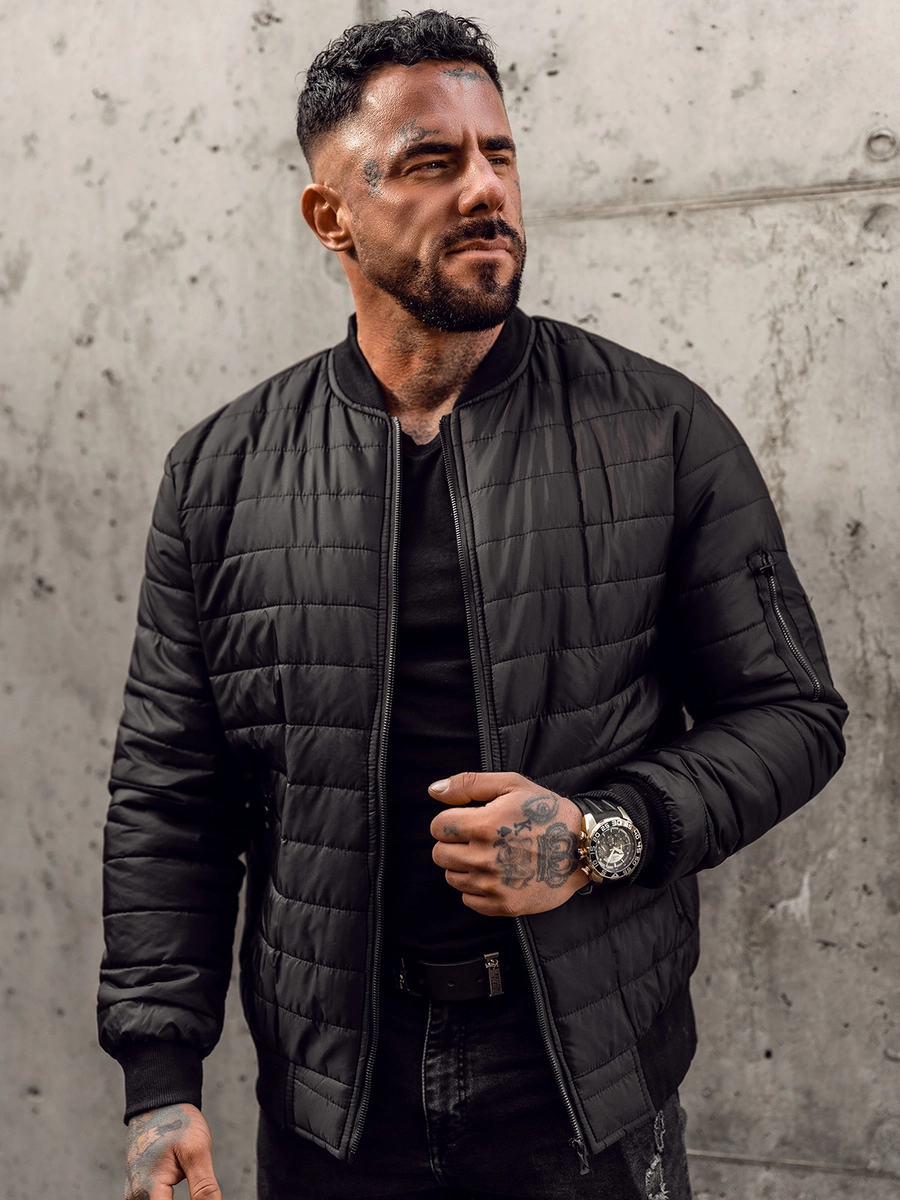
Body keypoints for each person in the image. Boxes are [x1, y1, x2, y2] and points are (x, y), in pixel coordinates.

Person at [97, 11, 847, 1199]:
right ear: (331, 215)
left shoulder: (659, 431)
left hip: (583, 1089)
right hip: (335, 1100)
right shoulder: (221, 474)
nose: (486, 188)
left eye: (499, 153)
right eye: (432, 161)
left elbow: (795, 717)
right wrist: (159, 1076)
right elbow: (172, 794)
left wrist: (599, 835)